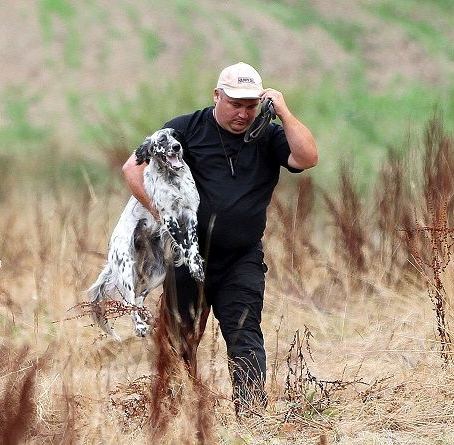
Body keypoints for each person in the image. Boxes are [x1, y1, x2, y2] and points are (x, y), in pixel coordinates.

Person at [122, 62, 318, 412]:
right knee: (179, 340)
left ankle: (253, 417)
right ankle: (178, 417)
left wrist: (283, 110)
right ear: (217, 95)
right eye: (235, 104)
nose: (243, 113)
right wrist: (159, 212)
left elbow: (308, 157)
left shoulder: (269, 136)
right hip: (187, 255)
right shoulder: (186, 128)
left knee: (245, 336)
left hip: (241, 259)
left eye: (251, 105)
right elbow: (132, 167)